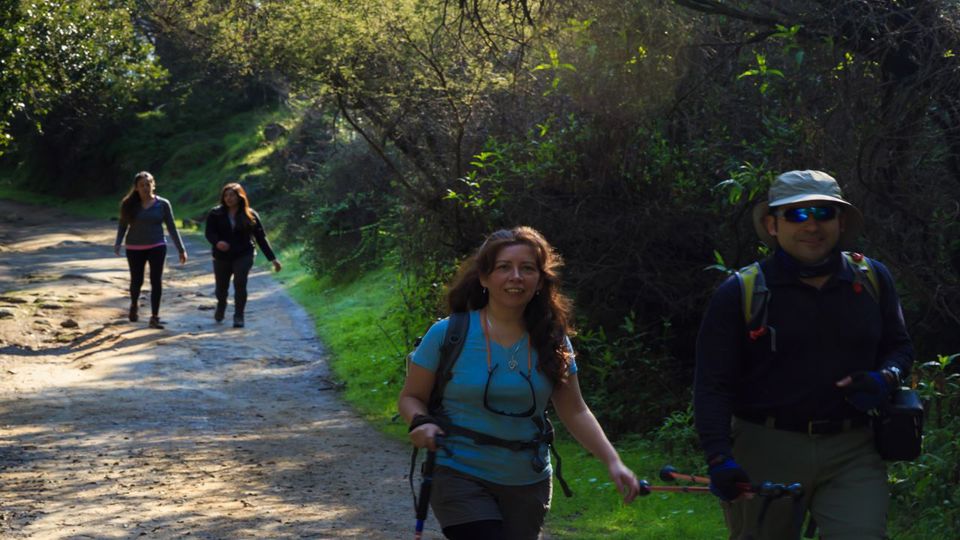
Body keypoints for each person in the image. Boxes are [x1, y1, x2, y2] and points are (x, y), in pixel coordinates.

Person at [694, 170, 914, 539]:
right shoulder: (742, 291)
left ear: (840, 222)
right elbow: (712, 383)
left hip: (853, 448)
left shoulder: (872, 279)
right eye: (796, 214)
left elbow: (900, 346)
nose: (812, 225)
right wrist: (719, 457)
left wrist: (885, 378)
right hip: (765, 447)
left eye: (823, 213)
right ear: (773, 225)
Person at [398, 226, 640, 540]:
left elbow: (575, 410)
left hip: (528, 481)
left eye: (527, 268)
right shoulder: (448, 334)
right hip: (458, 471)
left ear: (540, 281)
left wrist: (613, 462)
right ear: (484, 278)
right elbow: (411, 397)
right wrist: (421, 422)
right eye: (504, 267)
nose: (516, 277)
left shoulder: (552, 340)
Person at [114, 171, 188, 329]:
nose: (145, 188)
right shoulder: (129, 204)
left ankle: (155, 317)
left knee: (156, 280)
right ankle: (134, 304)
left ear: (153, 185)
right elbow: (122, 225)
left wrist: (181, 249)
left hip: (157, 245)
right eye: (142, 185)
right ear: (136, 188)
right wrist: (118, 242)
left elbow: (172, 227)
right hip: (134, 247)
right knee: (137, 280)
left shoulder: (163, 204)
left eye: (148, 184)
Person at [204, 182, 281, 328]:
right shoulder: (215, 214)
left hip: (244, 253)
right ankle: (221, 304)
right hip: (222, 255)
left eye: (232, 195)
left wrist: (273, 259)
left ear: (240, 197)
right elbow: (209, 233)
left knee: (240, 282)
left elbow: (261, 238)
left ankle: (239, 316)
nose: (228, 198)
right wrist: (217, 242)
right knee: (221, 288)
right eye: (226, 195)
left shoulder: (250, 214)